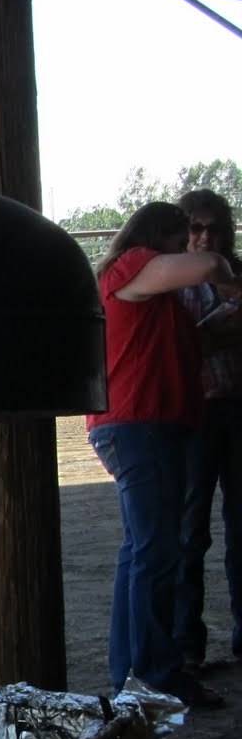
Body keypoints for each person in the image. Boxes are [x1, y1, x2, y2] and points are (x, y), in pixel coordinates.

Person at [88, 201, 242, 708]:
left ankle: (133, 673)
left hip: (147, 426)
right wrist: (225, 274)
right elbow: (210, 266)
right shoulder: (133, 266)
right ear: (159, 239)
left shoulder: (150, 296)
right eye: (181, 239)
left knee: (143, 552)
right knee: (156, 554)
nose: (188, 248)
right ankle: (157, 676)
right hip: (141, 426)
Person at [172, 189, 242, 669]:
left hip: (238, 409)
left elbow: (195, 339)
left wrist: (203, 337)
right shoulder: (172, 281)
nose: (206, 236)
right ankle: (187, 647)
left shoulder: (234, 273)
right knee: (189, 533)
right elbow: (181, 343)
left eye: (214, 227)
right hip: (193, 413)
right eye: (196, 227)